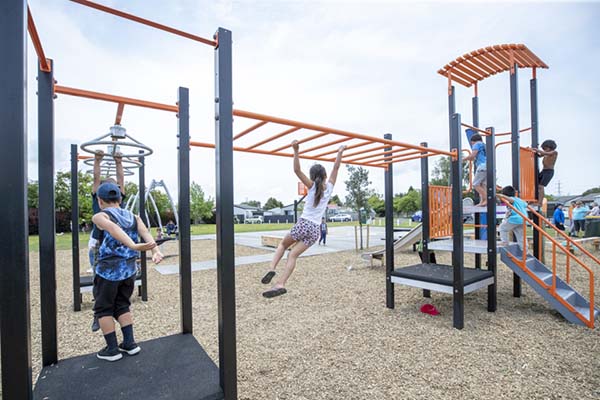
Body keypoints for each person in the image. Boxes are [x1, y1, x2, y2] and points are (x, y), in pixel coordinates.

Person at [261, 141, 346, 298]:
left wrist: (296, 150)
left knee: (282, 245)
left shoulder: (312, 186)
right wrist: (340, 151)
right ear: (325, 176)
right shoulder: (330, 188)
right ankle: (280, 284)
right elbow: (336, 167)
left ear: (313, 177)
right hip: (315, 230)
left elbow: (296, 170)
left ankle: (272, 268)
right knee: (292, 255)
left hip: (304, 223)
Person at [91, 182, 164, 361]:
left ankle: (112, 349)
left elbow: (113, 229)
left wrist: (133, 245)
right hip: (129, 271)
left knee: (103, 309)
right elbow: (145, 232)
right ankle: (130, 343)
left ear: (100, 201)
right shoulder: (133, 217)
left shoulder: (100, 216)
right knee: (122, 304)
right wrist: (155, 250)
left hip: (108, 272)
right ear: (120, 199)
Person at [90, 150, 126, 332]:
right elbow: (96, 180)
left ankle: (113, 313)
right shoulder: (99, 200)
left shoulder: (119, 200)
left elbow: (121, 181)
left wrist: (119, 162)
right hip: (99, 243)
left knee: (118, 281)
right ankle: (99, 315)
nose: (115, 187)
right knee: (100, 280)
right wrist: (97, 161)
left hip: (117, 246)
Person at [497, 185, 528, 253]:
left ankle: (505, 242)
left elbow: (511, 200)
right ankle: (525, 251)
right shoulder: (519, 200)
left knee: (502, 228)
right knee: (521, 236)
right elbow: (526, 204)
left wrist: (502, 196)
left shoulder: (511, 199)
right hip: (523, 219)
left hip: (515, 218)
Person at [463, 133, 487, 206]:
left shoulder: (477, 144)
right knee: (482, 185)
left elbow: (473, 155)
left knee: (475, 184)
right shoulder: (484, 145)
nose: (472, 144)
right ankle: (482, 202)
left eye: (471, 143)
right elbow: (475, 157)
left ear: (473, 141)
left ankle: (486, 199)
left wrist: (463, 159)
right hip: (488, 166)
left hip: (482, 166)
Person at [534, 139, 558, 206]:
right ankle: (535, 200)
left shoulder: (554, 152)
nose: (544, 150)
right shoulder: (545, 153)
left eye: (545, 148)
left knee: (541, 186)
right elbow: (540, 155)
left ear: (550, 147)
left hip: (549, 172)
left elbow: (544, 153)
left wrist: (537, 150)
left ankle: (540, 202)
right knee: (536, 185)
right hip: (543, 171)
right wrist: (533, 151)